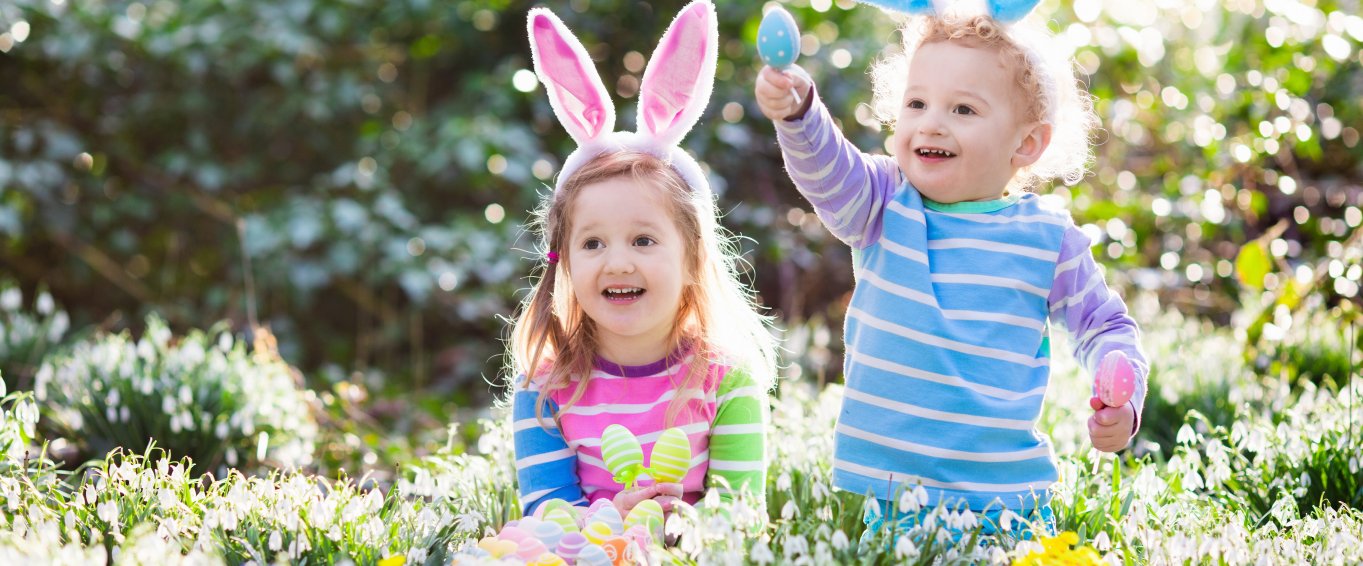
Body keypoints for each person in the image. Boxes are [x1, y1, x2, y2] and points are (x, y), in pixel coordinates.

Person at [754, 5, 1147, 538]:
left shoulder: (1048, 239)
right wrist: (800, 113)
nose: (931, 122)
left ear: (1026, 144)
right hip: (895, 496)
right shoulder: (883, 202)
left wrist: (1122, 392)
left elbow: (1106, 326)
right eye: (916, 103)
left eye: (963, 109)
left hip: (1006, 498)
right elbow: (829, 169)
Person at [510, 0, 776, 518]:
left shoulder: (726, 381)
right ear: (563, 262)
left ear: (693, 258)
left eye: (644, 240)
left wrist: (683, 526)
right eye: (592, 243)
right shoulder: (545, 392)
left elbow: (741, 516)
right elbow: (546, 516)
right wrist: (617, 521)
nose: (618, 263)